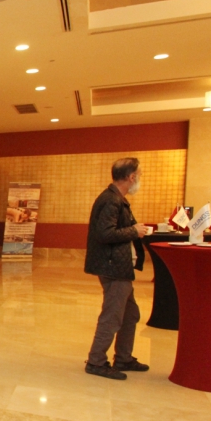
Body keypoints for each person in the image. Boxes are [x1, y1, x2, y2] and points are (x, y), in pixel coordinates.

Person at [83, 157, 151, 380]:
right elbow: (104, 234)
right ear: (131, 177)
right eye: (139, 175)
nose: (139, 179)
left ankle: (123, 358)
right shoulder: (111, 200)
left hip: (119, 266)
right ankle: (96, 361)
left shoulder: (117, 199)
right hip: (112, 266)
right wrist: (134, 231)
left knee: (130, 314)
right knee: (112, 316)